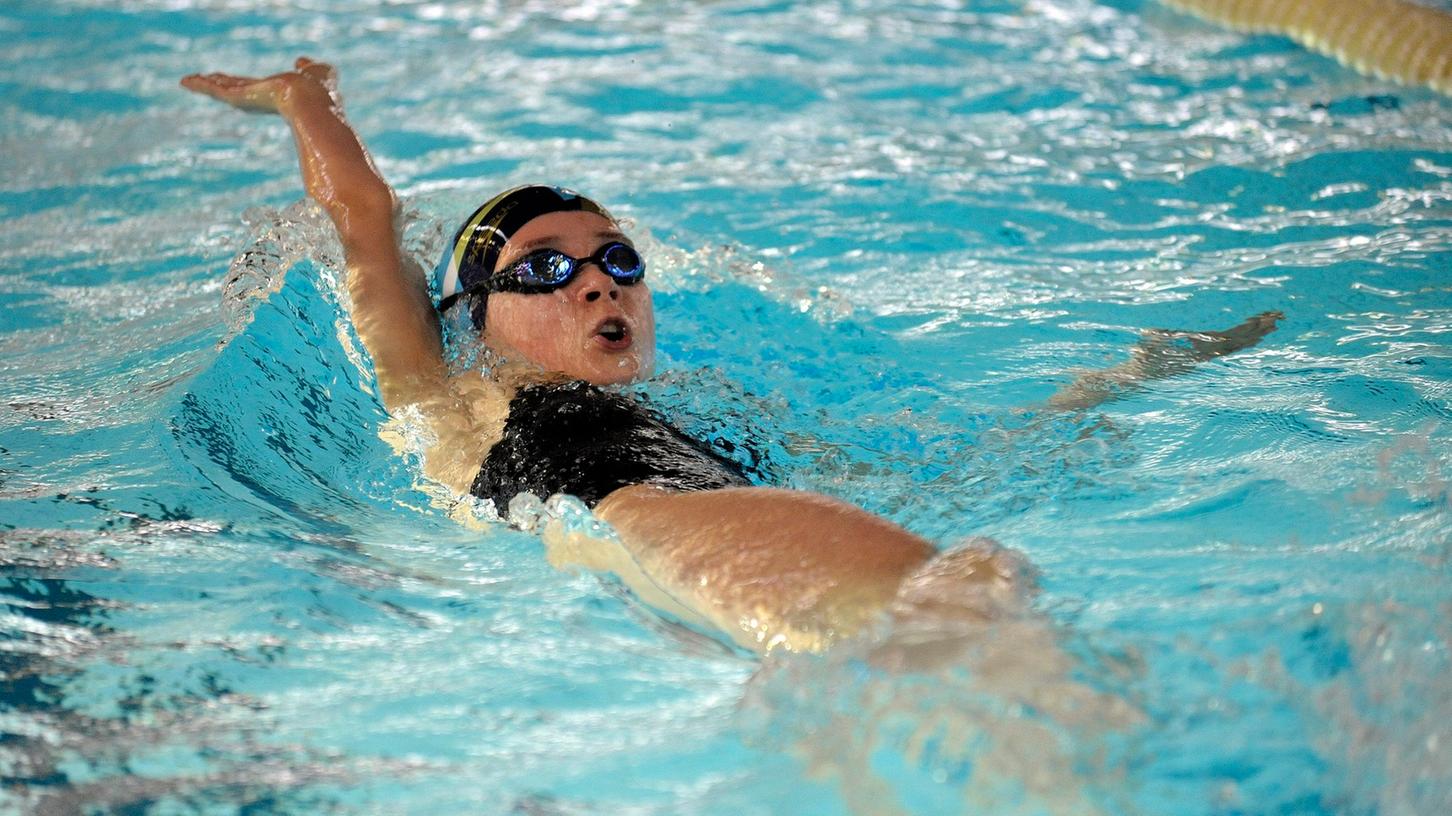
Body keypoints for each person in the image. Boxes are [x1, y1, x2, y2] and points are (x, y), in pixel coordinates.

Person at [181, 58, 1279, 654]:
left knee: (966, 612)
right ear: (473, 317)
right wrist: (306, 95)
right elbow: (366, 224)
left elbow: (948, 470)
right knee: (965, 601)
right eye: (545, 270)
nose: (600, 278)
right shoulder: (443, 393)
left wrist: (1123, 380)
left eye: (614, 256)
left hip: (685, 571)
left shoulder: (717, 425)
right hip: (632, 528)